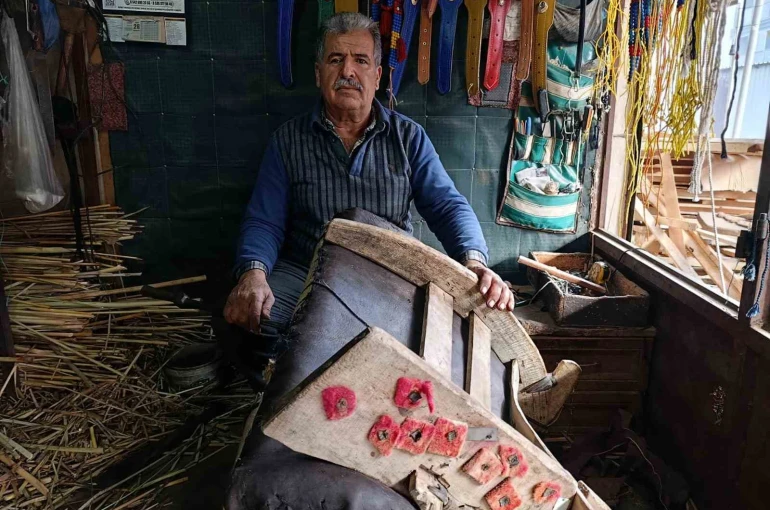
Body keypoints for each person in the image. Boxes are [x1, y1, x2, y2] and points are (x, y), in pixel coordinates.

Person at [224, 12, 514, 333]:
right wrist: (254, 273)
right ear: (319, 74)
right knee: (256, 320)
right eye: (335, 59)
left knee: (420, 341)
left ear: (377, 77)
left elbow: (448, 206)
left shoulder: (408, 138)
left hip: (389, 275)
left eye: (360, 60)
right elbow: (264, 221)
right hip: (306, 273)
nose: (347, 71)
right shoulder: (288, 140)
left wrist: (474, 262)